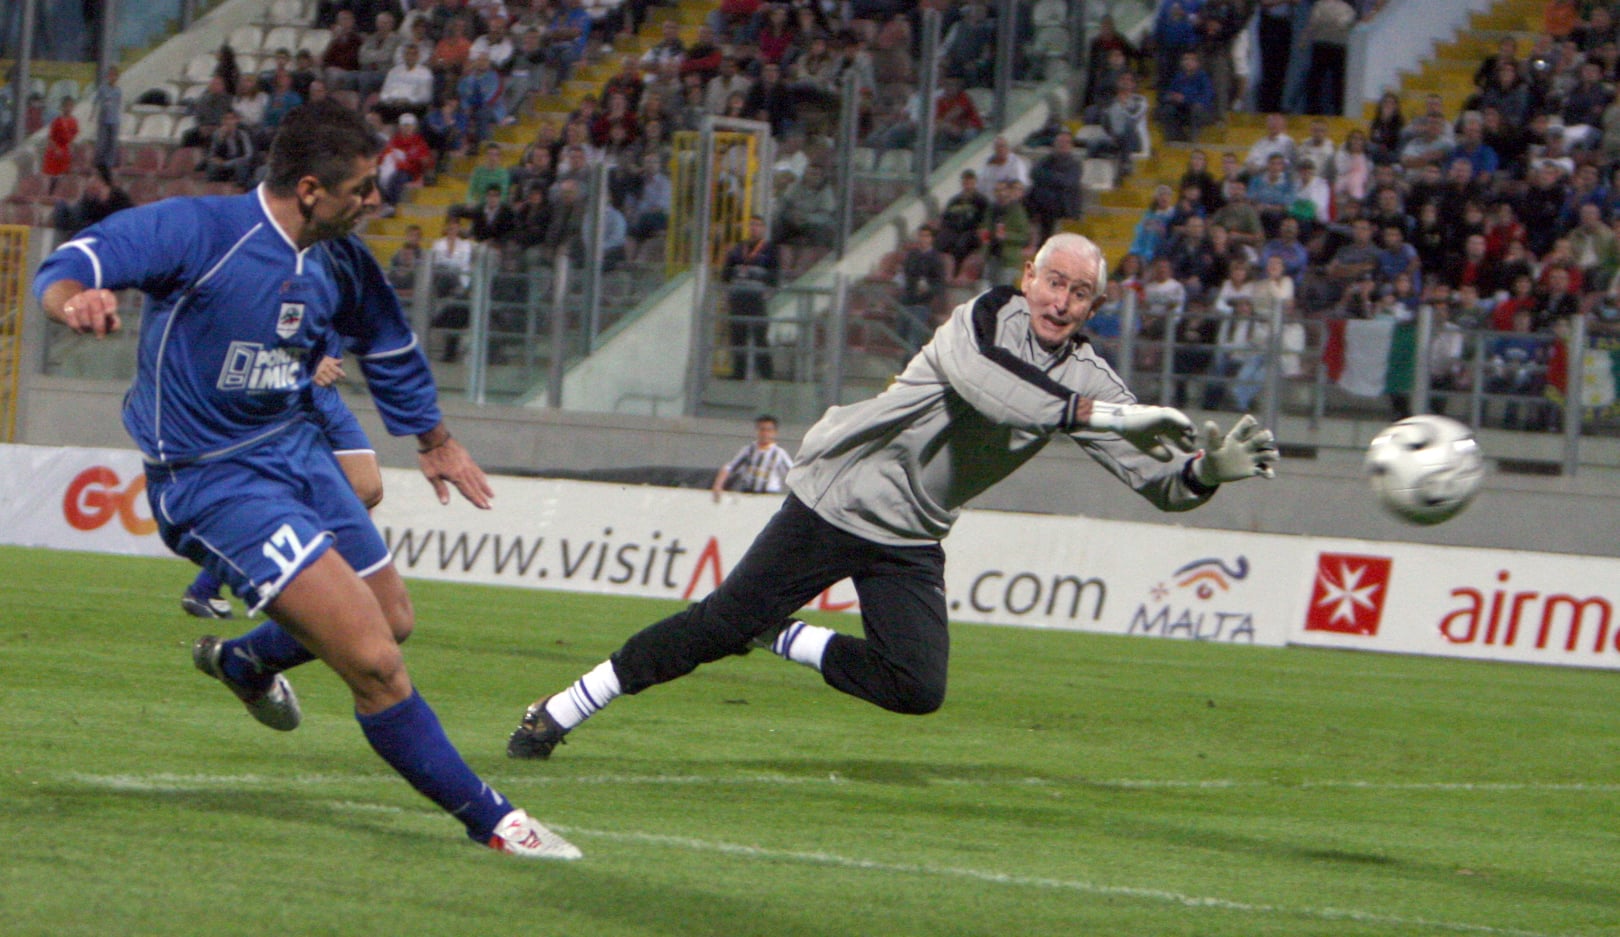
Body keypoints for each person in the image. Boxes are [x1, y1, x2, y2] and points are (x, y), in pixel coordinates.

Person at [34, 100, 578, 859]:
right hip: (212, 479)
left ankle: (245, 660)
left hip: (295, 450)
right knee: (375, 663)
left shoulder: (341, 259)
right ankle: (496, 822)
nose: (376, 201)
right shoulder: (199, 230)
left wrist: (436, 441)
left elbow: (388, 345)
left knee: (391, 617)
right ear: (312, 189)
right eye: (362, 189)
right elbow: (68, 267)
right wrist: (75, 302)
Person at [505, 232, 1278, 760]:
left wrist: (1206, 472)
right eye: (1054, 281)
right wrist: (1105, 416)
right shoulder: (981, 319)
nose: (1061, 300)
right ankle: (561, 709)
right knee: (713, 628)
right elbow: (1000, 392)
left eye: (1080, 293)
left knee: (917, 686)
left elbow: (1161, 482)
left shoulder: (1090, 382)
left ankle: (783, 636)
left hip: (910, 533)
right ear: (1028, 277)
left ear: (1092, 309)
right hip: (839, 496)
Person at [182, 340, 383, 619]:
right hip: (289, 395)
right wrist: (307, 364)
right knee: (282, 498)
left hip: (326, 397)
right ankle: (208, 588)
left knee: (367, 489)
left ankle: (208, 587)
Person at [721, 215, 780, 380]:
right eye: (752, 224)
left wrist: (768, 293)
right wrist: (726, 296)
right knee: (738, 337)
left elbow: (774, 275)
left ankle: (766, 374)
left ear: (764, 229)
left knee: (760, 336)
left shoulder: (769, 249)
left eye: (758, 225)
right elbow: (726, 273)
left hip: (756, 299)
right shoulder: (738, 248)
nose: (754, 228)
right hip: (738, 297)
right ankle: (738, 373)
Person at [710, 414, 793, 501]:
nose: (765, 433)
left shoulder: (779, 453)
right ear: (757, 431)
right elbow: (729, 467)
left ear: (775, 433)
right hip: (748, 493)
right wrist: (718, 485)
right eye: (762, 429)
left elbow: (793, 472)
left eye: (769, 430)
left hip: (769, 495)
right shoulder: (748, 451)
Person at [51, 164, 133, 238]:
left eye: (93, 177)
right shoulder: (90, 198)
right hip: (90, 230)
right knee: (61, 208)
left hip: (108, 233)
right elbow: (81, 216)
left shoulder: (120, 198)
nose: (90, 181)